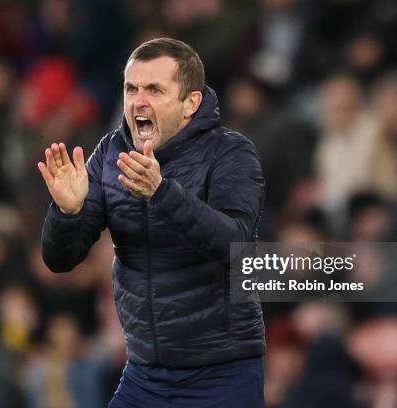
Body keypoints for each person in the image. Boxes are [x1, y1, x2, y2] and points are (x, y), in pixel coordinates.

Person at [38, 38, 266, 407]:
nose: (138, 101)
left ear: (190, 103)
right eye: (131, 88)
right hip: (145, 375)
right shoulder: (110, 154)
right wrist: (67, 213)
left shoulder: (231, 153)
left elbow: (238, 247)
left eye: (154, 90)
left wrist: (163, 193)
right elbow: (59, 261)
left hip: (222, 372)